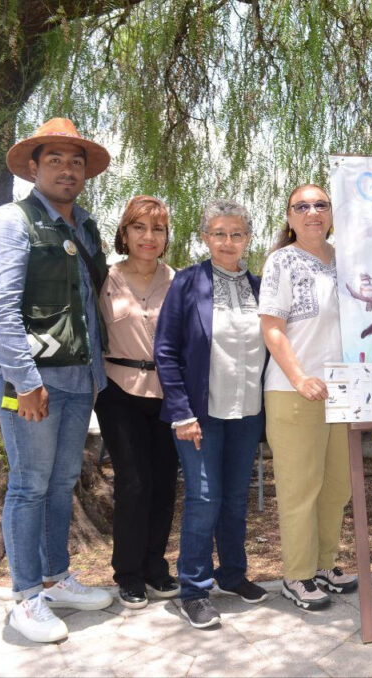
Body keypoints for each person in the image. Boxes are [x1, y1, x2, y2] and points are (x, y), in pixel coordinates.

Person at [0, 117, 114, 643]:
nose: (66, 168)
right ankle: (25, 596)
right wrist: (23, 381)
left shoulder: (85, 226)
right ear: (33, 167)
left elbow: (89, 306)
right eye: (54, 158)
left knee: (61, 484)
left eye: (75, 160)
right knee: (29, 486)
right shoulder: (9, 222)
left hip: (81, 380)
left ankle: (56, 579)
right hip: (31, 382)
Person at [155, 199, 268, 629]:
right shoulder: (187, 283)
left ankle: (233, 574)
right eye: (218, 233)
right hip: (200, 415)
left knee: (236, 498)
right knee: (204, 498)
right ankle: (193, 590)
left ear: (248, 239)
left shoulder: (259, 287)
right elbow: (165, 350)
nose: (227, 241)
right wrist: (181, 413)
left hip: (248, 412)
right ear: (205, 237)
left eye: (236, 233)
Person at [259, 184, 357, 611]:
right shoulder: (282, 261)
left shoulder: (350, 261)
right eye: (302, 206)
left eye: (321, 205)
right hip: (295, 392)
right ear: (290, 216)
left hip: (345, 392)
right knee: (301, 488)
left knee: (337, 486)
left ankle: (324, 564)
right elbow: (272, 329)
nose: (312, 212)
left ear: (332, 213)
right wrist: (300, 378)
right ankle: (296, 575)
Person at [93, 195, 179, 608]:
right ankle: (127, 573)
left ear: (166, 236)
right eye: (140, 227)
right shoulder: (103, 280)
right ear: (124, 232)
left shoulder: (179, 281)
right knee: (133, 482)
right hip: (117, 391)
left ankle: (154, 567)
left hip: (168, 394)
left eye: (158, 228)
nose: (149, 236)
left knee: (164, 483)